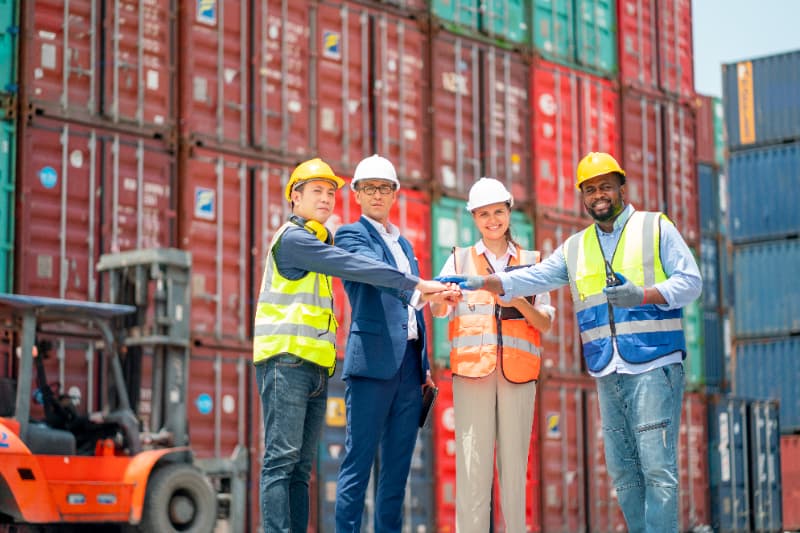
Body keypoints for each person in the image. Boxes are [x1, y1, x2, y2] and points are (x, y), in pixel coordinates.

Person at [440, 153, 702, 533]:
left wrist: (643, 295)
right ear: (582, 195)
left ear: (621, 188)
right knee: (624, 474)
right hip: (606, 370)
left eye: (606, 186)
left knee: (657, 468)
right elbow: (534, 278)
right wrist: (487, 281)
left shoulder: (655, 227)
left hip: (653, 365)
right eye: (590, 189)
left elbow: (691, 281)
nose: (599, 195)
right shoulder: (576, 247)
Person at [253, 157, 452, 533]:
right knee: (282, 461)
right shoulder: (295, 241)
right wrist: (417, 283)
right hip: (284, 361)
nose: (327, 199)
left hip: (313, 365)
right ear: (294, 196)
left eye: (331, 193)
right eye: (317, 192)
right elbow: (359, 268)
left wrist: (433, 297)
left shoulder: (320, 241)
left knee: (299, 468)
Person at [333, 155, 454, 533]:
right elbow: (381, 276)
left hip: (409, 368)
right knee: (358, 463)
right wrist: (422, 287)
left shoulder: (404, 243)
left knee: (397, 472)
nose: (376, 195)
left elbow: (414, 310)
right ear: (356, 194)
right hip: (371, 365)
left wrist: (425, 366)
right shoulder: (350, 236)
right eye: (368, 187)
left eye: (384, 188)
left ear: (395, 194)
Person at [431, 177, 554, 533]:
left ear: (509, 213)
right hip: (473, 376)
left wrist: (516, 299)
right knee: (472, 468)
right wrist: (443, 297)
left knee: (515, 471)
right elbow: (438, 311)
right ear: (474, 218)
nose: (492, 220)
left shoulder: (532, 263)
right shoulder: (458, 260)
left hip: (518, 376)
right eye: (483, 214)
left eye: (498, 212)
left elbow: (544, 322)